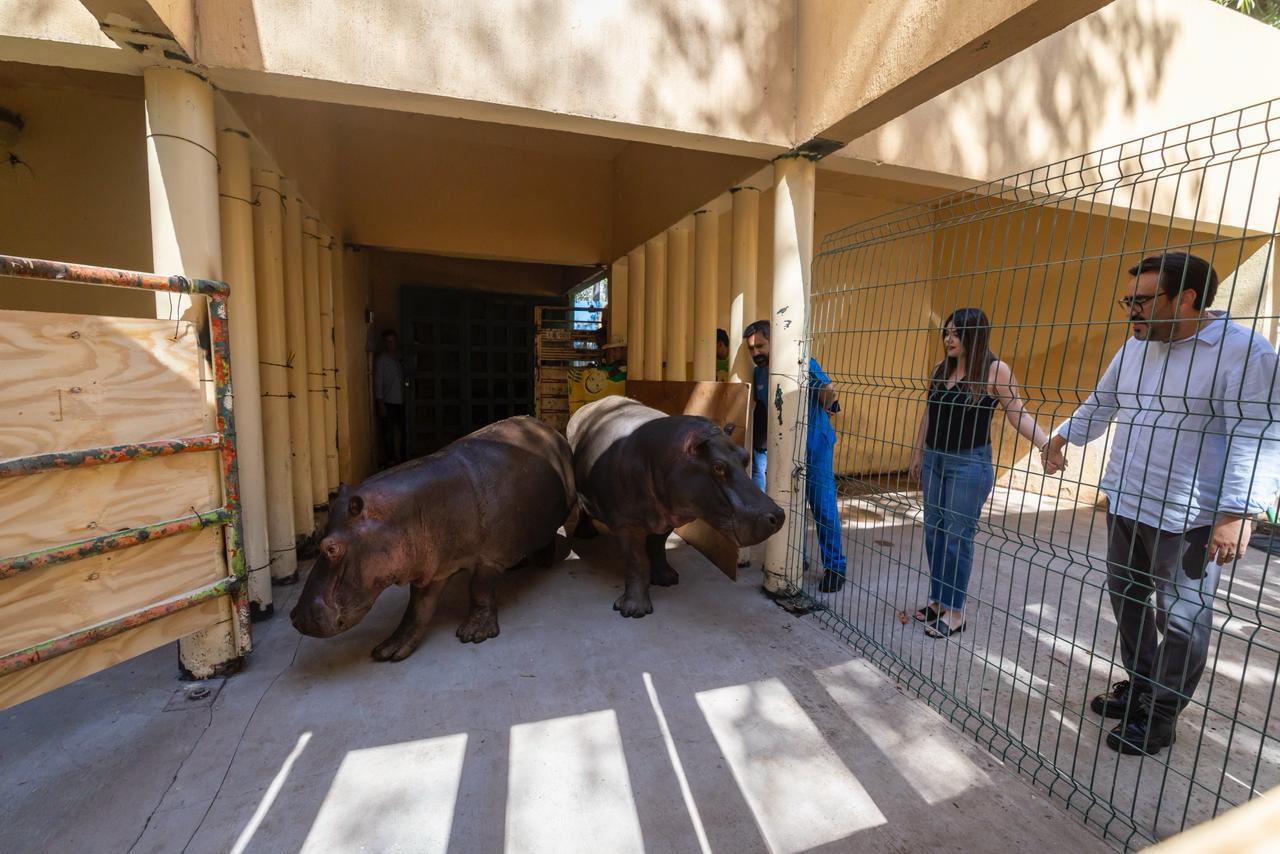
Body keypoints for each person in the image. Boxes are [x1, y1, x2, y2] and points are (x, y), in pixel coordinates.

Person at [1042, 252, 1280, 756]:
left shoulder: (1244, 354)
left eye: (1144, 300)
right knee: (1127, 601)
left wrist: (1238, 512)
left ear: (1187, 298)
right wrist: (1062, 436)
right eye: (1129, 300)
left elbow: (1258, 434)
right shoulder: (1137, 346)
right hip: (1127, 499)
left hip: (1190, 516)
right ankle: (1141, 685)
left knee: (1181, 619)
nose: (1133, 310)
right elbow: (1103, 400)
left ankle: (1161, 713)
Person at [908, 308, 1050, 639]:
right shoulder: (940, 368)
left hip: (968, 464)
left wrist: (1047, 445)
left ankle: (956, 611)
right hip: (935, 461)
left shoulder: (994, 370)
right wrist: (917, 453)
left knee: (957, 537)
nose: (949, 339)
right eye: (946, 332)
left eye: (957, 333)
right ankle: (939, 600)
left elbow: (1018, 413)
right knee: (934, 533)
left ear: (975, 335)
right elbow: (929, 413)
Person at [744, 320, 847, 592]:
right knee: (788, 505)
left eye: (760, 345)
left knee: (822, 507)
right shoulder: (759, 373)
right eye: (751, 348)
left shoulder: (803, 364)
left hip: (815, 446)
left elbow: (830, 398)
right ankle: (794, 558)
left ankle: (835, 567)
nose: (756, 352)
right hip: (784, 450)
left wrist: (824, 394)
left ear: (774, 341)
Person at [374, 329, 406, 468]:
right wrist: (380, 403)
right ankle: (392, 459)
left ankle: (403, 457)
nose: (390, 344)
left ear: (396, 341)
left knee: (403, 430)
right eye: (388, 342)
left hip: (403, 400)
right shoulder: (382, 360)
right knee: (389, 432)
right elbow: (378, 382)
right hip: (388, 401)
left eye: (392, 341)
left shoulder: (401, 357)